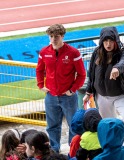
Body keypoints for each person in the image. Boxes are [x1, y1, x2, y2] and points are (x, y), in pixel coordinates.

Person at [36, 24, 86, 153]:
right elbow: (39, 70)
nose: (53, 39)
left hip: (68, 97)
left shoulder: (73, 52)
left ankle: (73, 149)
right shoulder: (44, 52)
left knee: (73, 125)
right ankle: (54, 149)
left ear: (62, 36)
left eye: (56, 36)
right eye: (51, 36)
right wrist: (41, 85)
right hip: (51, 96)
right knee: (52, 126)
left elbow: (82, 74)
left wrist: (72, 90)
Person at [83, 26, 124, 146]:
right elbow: (91, 74)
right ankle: (114, 148)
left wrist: (117, 68)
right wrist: (88, 92)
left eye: (111, 41)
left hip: (122, 95)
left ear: (116, 40)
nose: (108, 44)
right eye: (105, 41)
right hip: (102, 96)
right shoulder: (96, 53)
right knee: (109, 124)